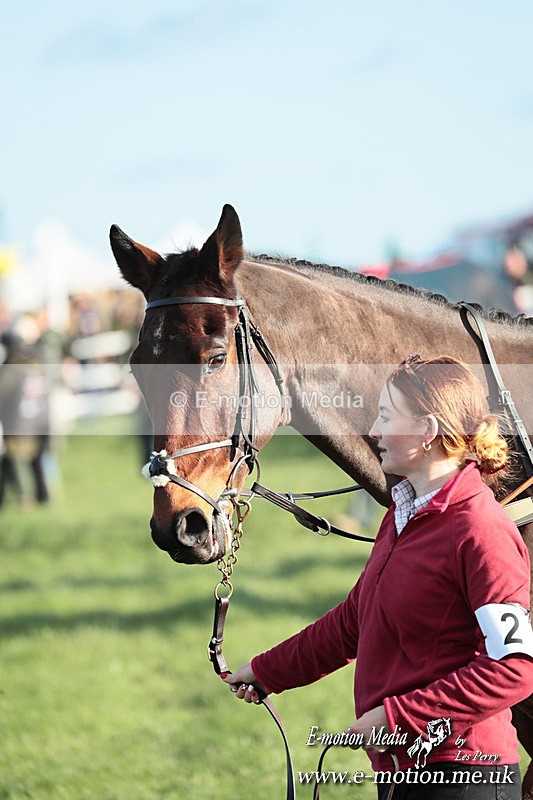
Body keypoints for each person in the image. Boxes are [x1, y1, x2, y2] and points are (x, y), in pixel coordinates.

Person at [223, 355, 533, 799]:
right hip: (404, 770)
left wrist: (397, 718)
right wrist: (266, 671)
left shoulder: (480, 529)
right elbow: (354, 621)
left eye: (387, 416)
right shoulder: (402, 513)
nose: (374, 430)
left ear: (428, 431)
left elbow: (513, 669)